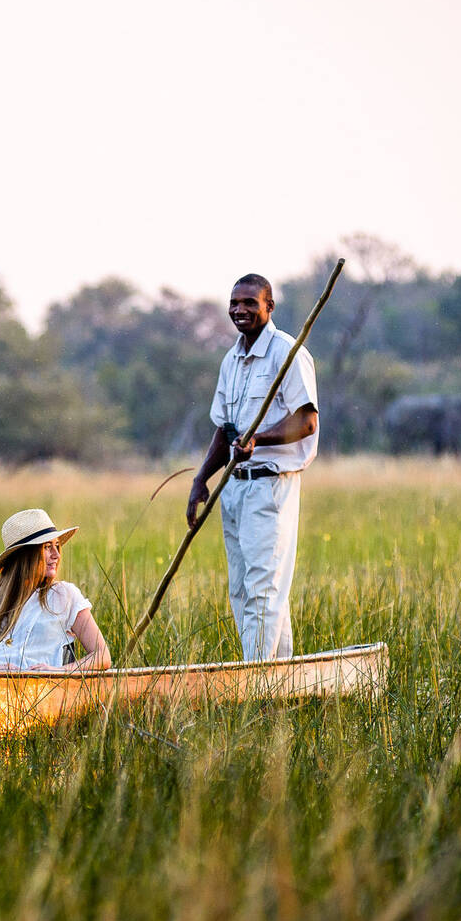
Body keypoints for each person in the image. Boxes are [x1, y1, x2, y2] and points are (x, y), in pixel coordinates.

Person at [184, 274, 319, 661]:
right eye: (234, 303)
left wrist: (259, 439)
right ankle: (279, 682)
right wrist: (200, 480)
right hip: (234, 486)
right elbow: (223, 429)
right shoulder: (232, 360)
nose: (240, 310)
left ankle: (254, 684)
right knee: (244, 589)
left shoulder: (288, 353)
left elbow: (306, 421)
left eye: (250, 303)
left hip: (270, 485)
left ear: (269, 307)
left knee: (264, 587)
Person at [0, 508, 111, 671]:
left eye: (57, 546)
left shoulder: (65, 595)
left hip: (43, 691)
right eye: (47, 547)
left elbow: (102, 655)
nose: (56, 555)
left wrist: (59, 671)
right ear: (25, 555)